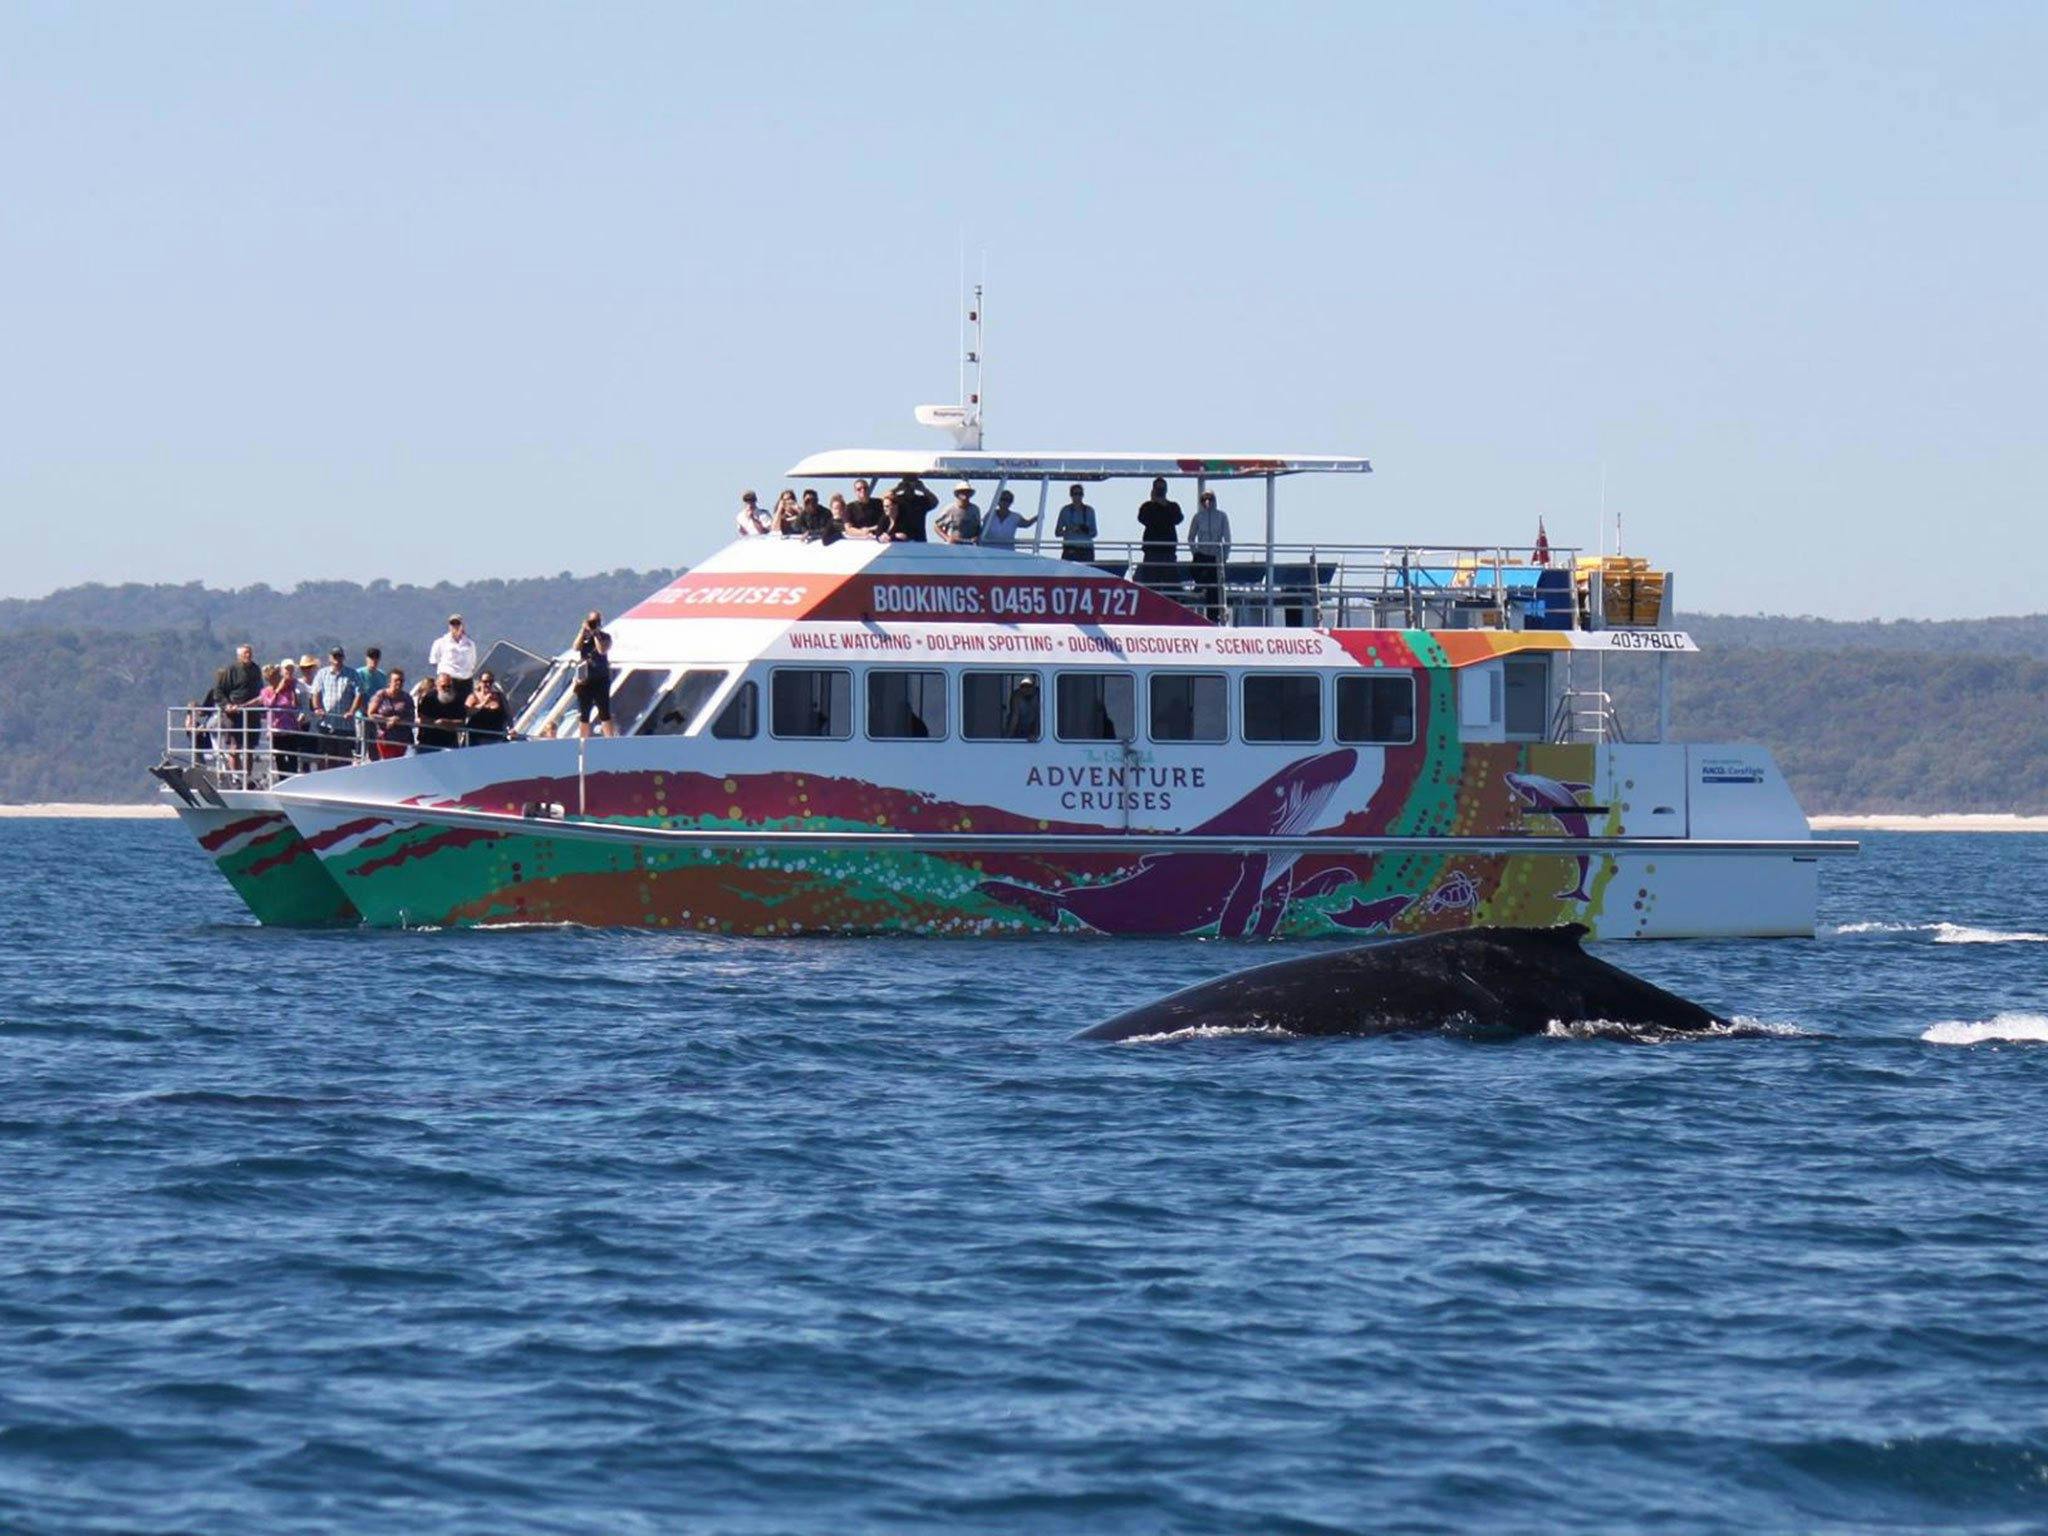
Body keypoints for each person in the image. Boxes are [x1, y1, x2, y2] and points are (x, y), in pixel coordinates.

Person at [214, 643, 265, 776]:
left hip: (252, 714)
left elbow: (261, 690)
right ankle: (236, 776)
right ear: (239, 656)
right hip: (234, 714)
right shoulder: (231, 670)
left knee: (249, 747)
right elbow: (218, 691)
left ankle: (247, 777)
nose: (248, 655)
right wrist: (227, 705)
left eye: (250, 653)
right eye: (245, 653)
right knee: (235, 747)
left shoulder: (256, 669)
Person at [309, 646, 361, 768]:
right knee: (326, 756)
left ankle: (344, 783)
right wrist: (317, 708)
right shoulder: (322, 673)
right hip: (327, 723)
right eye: (335, 656)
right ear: (330, 658)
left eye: (339, 656)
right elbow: (315, 692)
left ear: (343, 658)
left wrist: (352, 711)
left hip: (345, 725)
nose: (337, 659)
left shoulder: (352, 674)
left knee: (345, 758)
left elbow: (359, 694)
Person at [1188, 490, 1233, 619]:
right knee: (1193, 568)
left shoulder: (1222, 516)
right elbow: (1191, 537)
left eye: (1210, 499)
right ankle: (1201, 585)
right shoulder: (1197, 517)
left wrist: (1225, 557)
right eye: (1204, 499)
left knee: (1214, 588)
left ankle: (1213, 618)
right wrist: (1195, 551)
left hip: (1216, 556)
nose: (1207, 502)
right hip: (1201, 554)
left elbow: (1227, 538)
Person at [1136, 477, 1183, 591]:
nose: (1160, 490)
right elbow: (1143, 519)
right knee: (1151, 587)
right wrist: (1154, 502)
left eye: (1162, 488)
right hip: (1151, 552)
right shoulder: (1147, 506)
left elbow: (1178, 518)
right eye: (1157, 488)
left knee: (1171, 587)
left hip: (1168, 553)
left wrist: (1162, 504)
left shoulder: (1173, 506)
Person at [574, 627, 615, 737]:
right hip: (585, 680)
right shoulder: (584, 638)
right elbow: (575, 647)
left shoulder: (605, 637)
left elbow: (602, 650)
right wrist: (582, 631)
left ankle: (610, 739)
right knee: (584, 713)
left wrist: (596, 634)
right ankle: (583, 741)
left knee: (604, 712)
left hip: (601, 680)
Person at [367, 668, 416, 759]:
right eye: (396, 680)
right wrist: (388, 719)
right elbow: (371, 714)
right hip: (384, 738)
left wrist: (398, 720)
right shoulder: (381, 695)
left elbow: (412, 717)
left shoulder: (407, 698)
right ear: (389, 682)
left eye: (401, 680)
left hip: (403, 739)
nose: (399, 683)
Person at [416, 673, 467, 750]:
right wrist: (436, 723)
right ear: (437, 685)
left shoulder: (457, 699)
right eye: (443, 686)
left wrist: (447, 722)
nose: (446, 689)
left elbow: (462, 722)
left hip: (450, 743)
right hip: (428, 743)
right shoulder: (428, 698)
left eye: (449, 686)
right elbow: (422, 719)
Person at [465, 671, 512, 744]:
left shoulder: (499, 696)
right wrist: (483, 703)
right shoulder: (473, 697)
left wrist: (511, 728)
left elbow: (508, 714)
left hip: (498, 736)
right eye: (485, 682)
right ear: (480, 682)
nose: (488, 684)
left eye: (490, 682)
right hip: (478, 738)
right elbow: (467, 713)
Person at [1054, 484, 1097, 563]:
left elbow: (1094, 533)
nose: (1078, 496)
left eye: (1080, 494)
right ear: (1071, 495)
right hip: (1070, 549)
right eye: (1075, 494)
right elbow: (1057, 533)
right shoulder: (1065, 510)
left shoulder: (1089, 511)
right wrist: (1070, 530)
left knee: (1087, 573)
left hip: (1086, 550)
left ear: (1083, 495)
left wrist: (1083, 529)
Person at [429, 614, 478, 683]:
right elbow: (434, 661)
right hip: (448, 680)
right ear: (449, 626)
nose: (455, 626)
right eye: (452, 624)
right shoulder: (439, 642)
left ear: (462, 626)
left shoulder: (470, 644)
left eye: (458, 623)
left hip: (466, 680)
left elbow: (473, 661)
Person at [889, 475, 937, 542]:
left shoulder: (921, 500)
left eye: (912, 483)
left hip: (919, 538)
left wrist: (924, 489)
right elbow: (883, 501)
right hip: (900, 539)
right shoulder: (897, 500)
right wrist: (897, 489)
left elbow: (935, 502)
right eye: (906, 483)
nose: (909, 486)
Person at [1001, 675, 1040, 740]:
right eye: (1023, 686)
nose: (1027, 689)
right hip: (1019, 729)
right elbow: (1014, 718)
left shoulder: (1040, 694)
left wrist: (1037, 735)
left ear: (1034, 686)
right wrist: (1007, 739)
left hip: (1035, 729)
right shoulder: (1016, 696)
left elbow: (1043, 718)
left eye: (1029, 686)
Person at [355, 646, 388, 711]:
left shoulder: (383, 675)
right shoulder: (358, 673)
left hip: (377, 713)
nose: (374, 660)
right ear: (366, 658)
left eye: (376, 658)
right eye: (371, 657)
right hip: (361, 714)